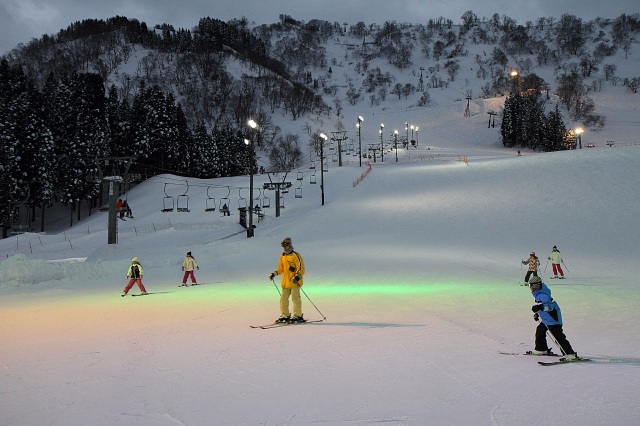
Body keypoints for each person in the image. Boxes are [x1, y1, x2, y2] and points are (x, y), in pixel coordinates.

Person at [528, 276, 578, 360]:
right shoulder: (538, 295)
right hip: (546, 319)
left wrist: (540, 308)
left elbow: (549, 307)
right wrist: (538, 313)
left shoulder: (544, 296)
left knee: (558, 337)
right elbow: (540, 306)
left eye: (531, 286)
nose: (530, 288)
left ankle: (570, 354)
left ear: (535, 286)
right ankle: (541, 348)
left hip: (553, 320)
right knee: (540, 331)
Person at [268, 237, 306, 323]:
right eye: (282, 245)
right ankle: (285, 315)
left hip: (294, 282)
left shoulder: (295, 255)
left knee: (295, 299)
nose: (284, 247)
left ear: (289, 245)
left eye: (285, 245)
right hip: (286, 282)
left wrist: (297, 276)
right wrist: (274, 274)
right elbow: (281, 268)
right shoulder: (283, 256)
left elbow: (301, 267)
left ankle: (297, 315)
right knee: (283, 299)